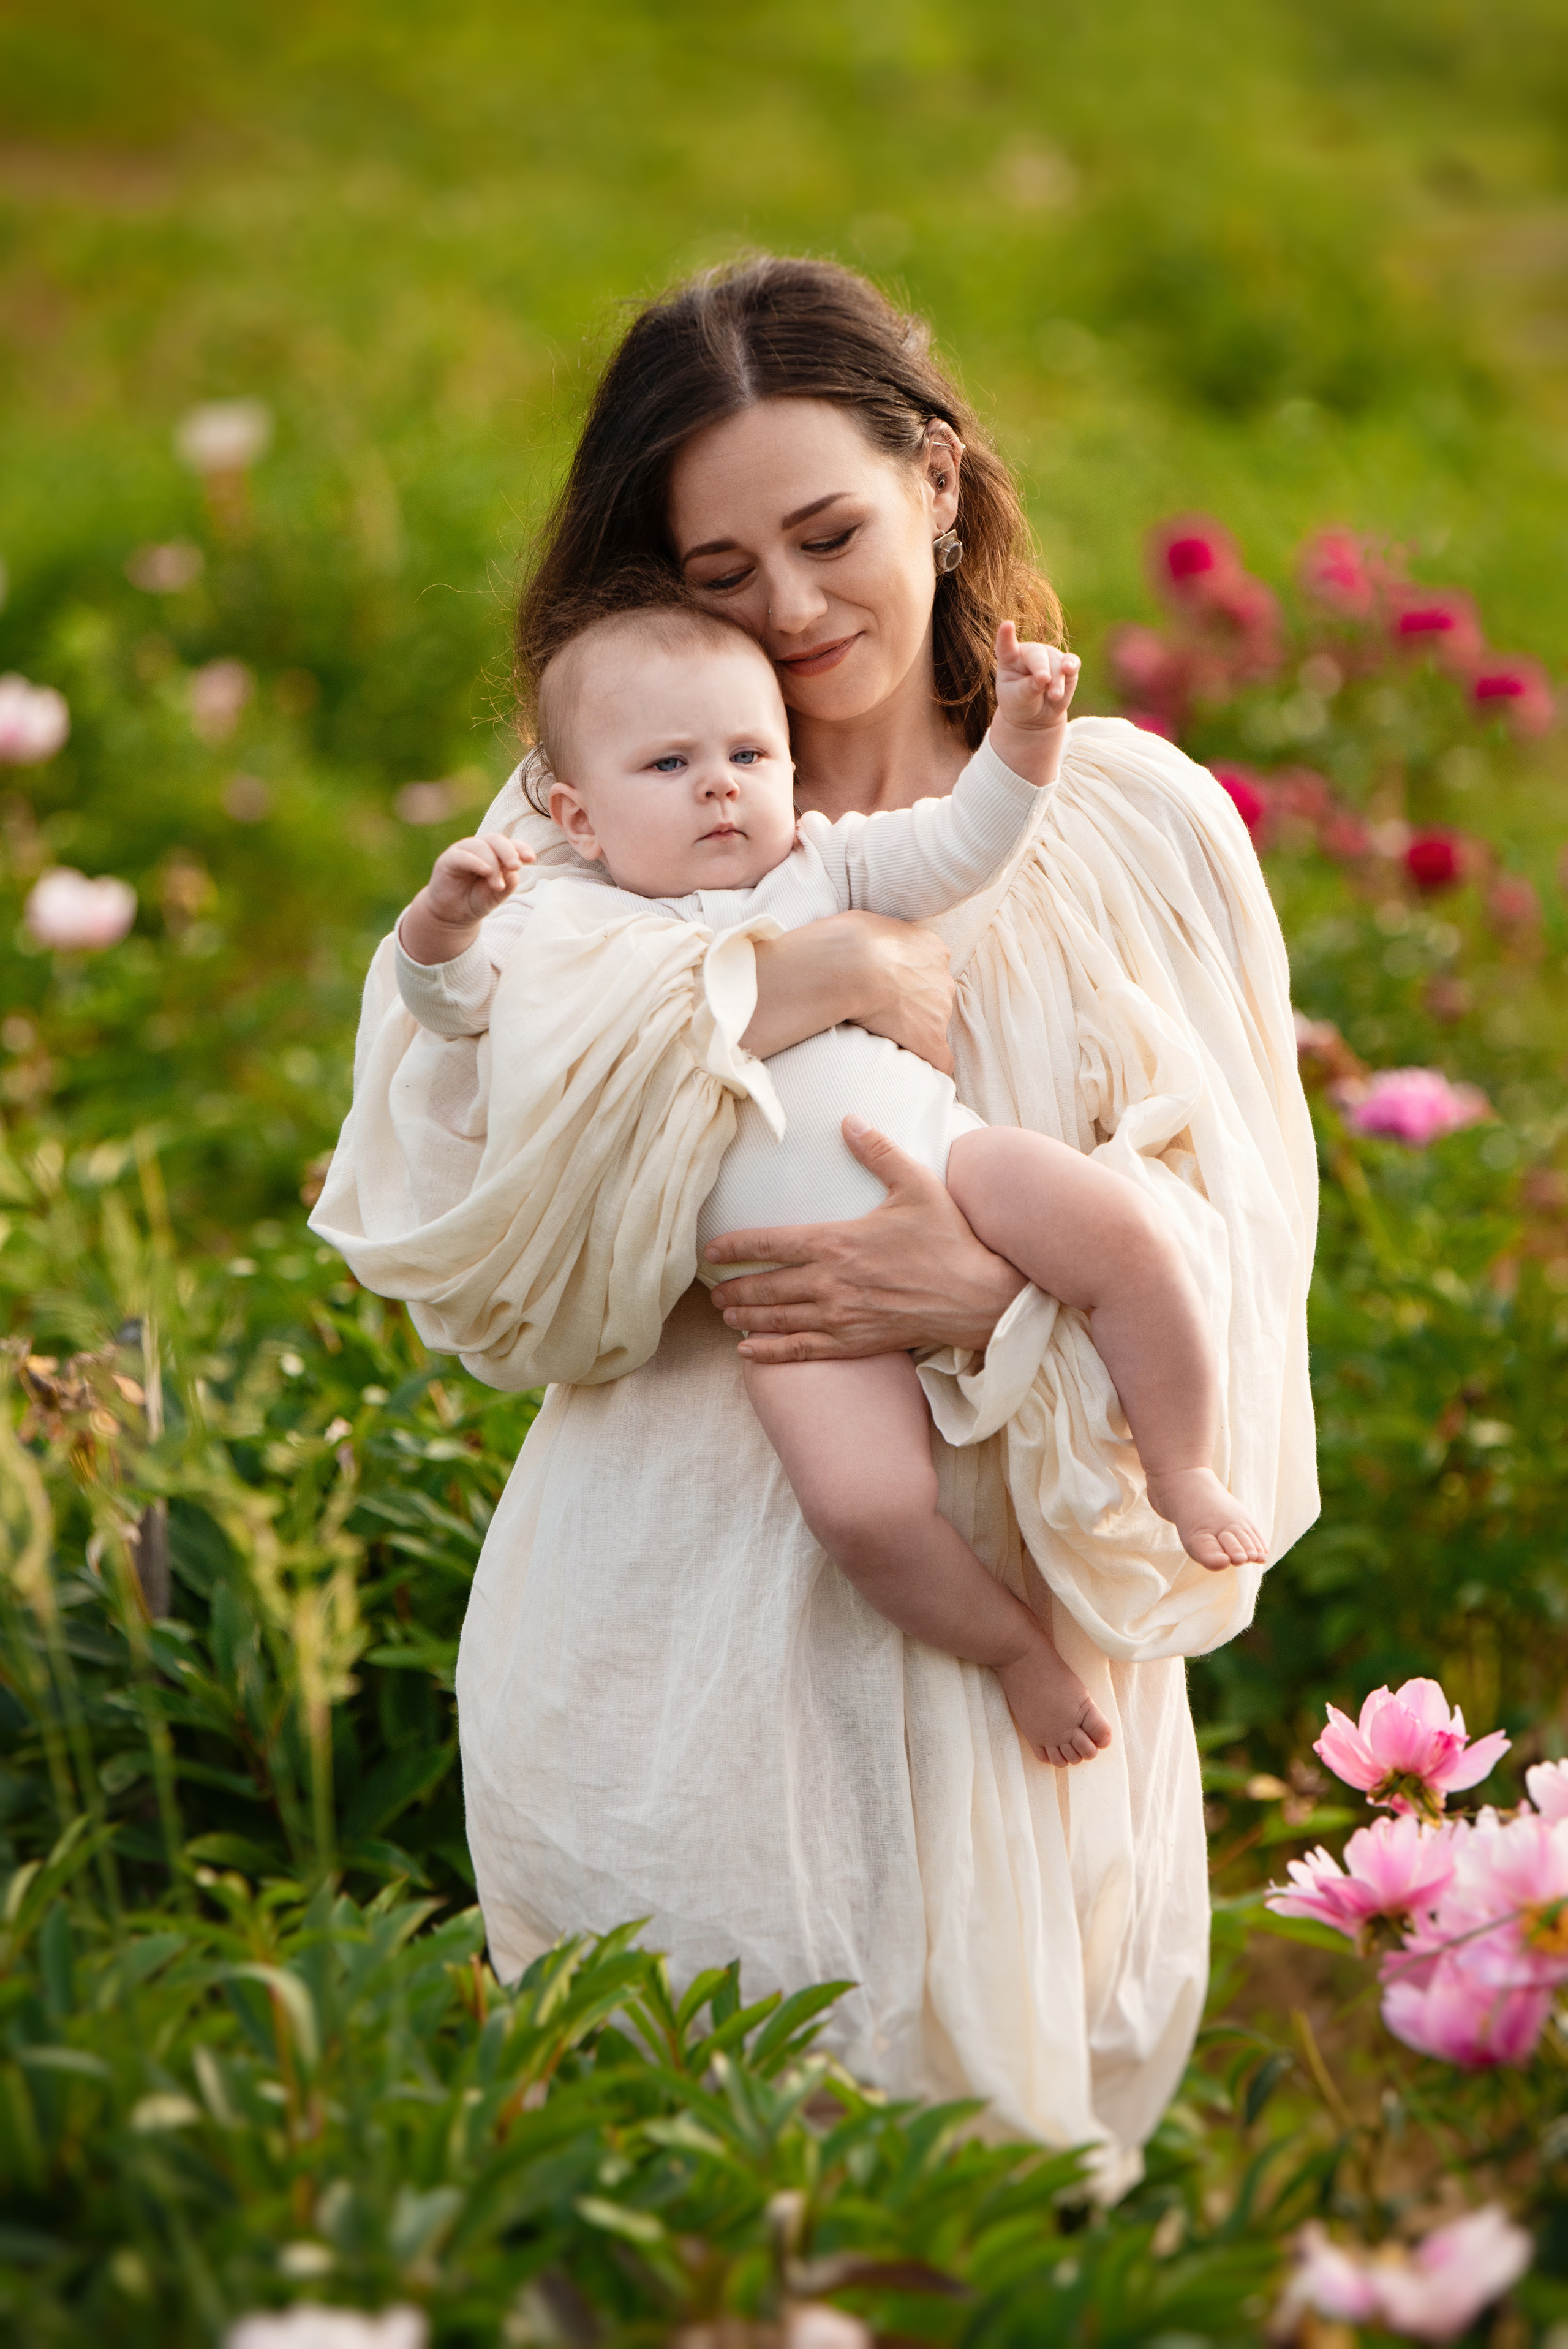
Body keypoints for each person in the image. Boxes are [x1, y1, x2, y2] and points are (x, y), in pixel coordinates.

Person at [311, 255, 1317, 2194]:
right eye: (717, 570)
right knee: (682, 2203)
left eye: (830, 530)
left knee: (965, 2213)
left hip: (998, 1650)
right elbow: (479, 1222)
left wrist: (994, 1290)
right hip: (661, 1629)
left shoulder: (1130, 822)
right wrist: (802, 977)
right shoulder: (589, 842)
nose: (786, 608)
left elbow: (1245, 1244)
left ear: (940, 483)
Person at [391, 592, 1268, 1771]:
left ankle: (1183, 1465)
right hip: (791, 1297)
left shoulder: (820, 861)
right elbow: (462, 1019)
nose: (720, 785)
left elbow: (962, 840)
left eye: (750, 754)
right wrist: (443, 929)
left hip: (949, 1158)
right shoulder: (568, 931)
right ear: (576, 816)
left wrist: (1025, 736)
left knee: (1124, 1239)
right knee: (864, 1511)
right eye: (671, 763)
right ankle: (1015, 1653)